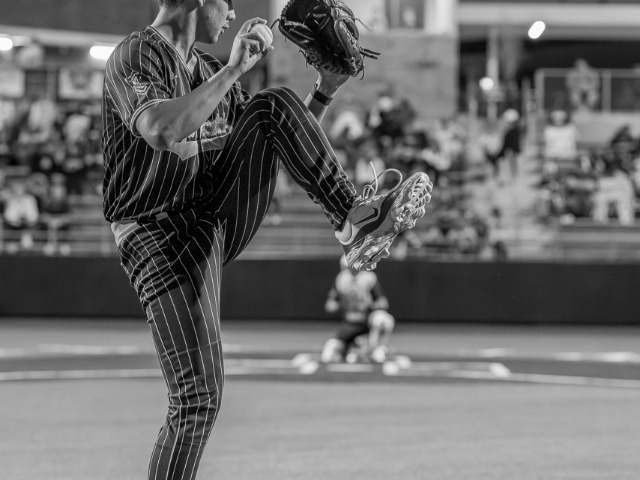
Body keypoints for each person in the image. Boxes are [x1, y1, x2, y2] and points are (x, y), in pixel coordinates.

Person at [100, 1, 432, 479]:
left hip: (210, 213)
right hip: (156, 232)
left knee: (274, 105)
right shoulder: (136, 53)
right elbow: (160, 128)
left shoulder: (208, 68)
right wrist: (235, 69)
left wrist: (324, 90)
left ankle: (353, 219)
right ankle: (353, 222)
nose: (233, 11)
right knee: (197, 398)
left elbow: (278, 146)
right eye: (227, 1)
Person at [321, 255, 395, 364]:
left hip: (367, 322)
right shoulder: (341, 280)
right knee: (328, 356)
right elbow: (330, 306)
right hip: (349, 324)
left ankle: (377, 348)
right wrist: (344, 304)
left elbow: (383, 303)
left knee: (382, 320)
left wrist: (369, 304)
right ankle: (352, 349)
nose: (353, 272)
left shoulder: (368, 279)